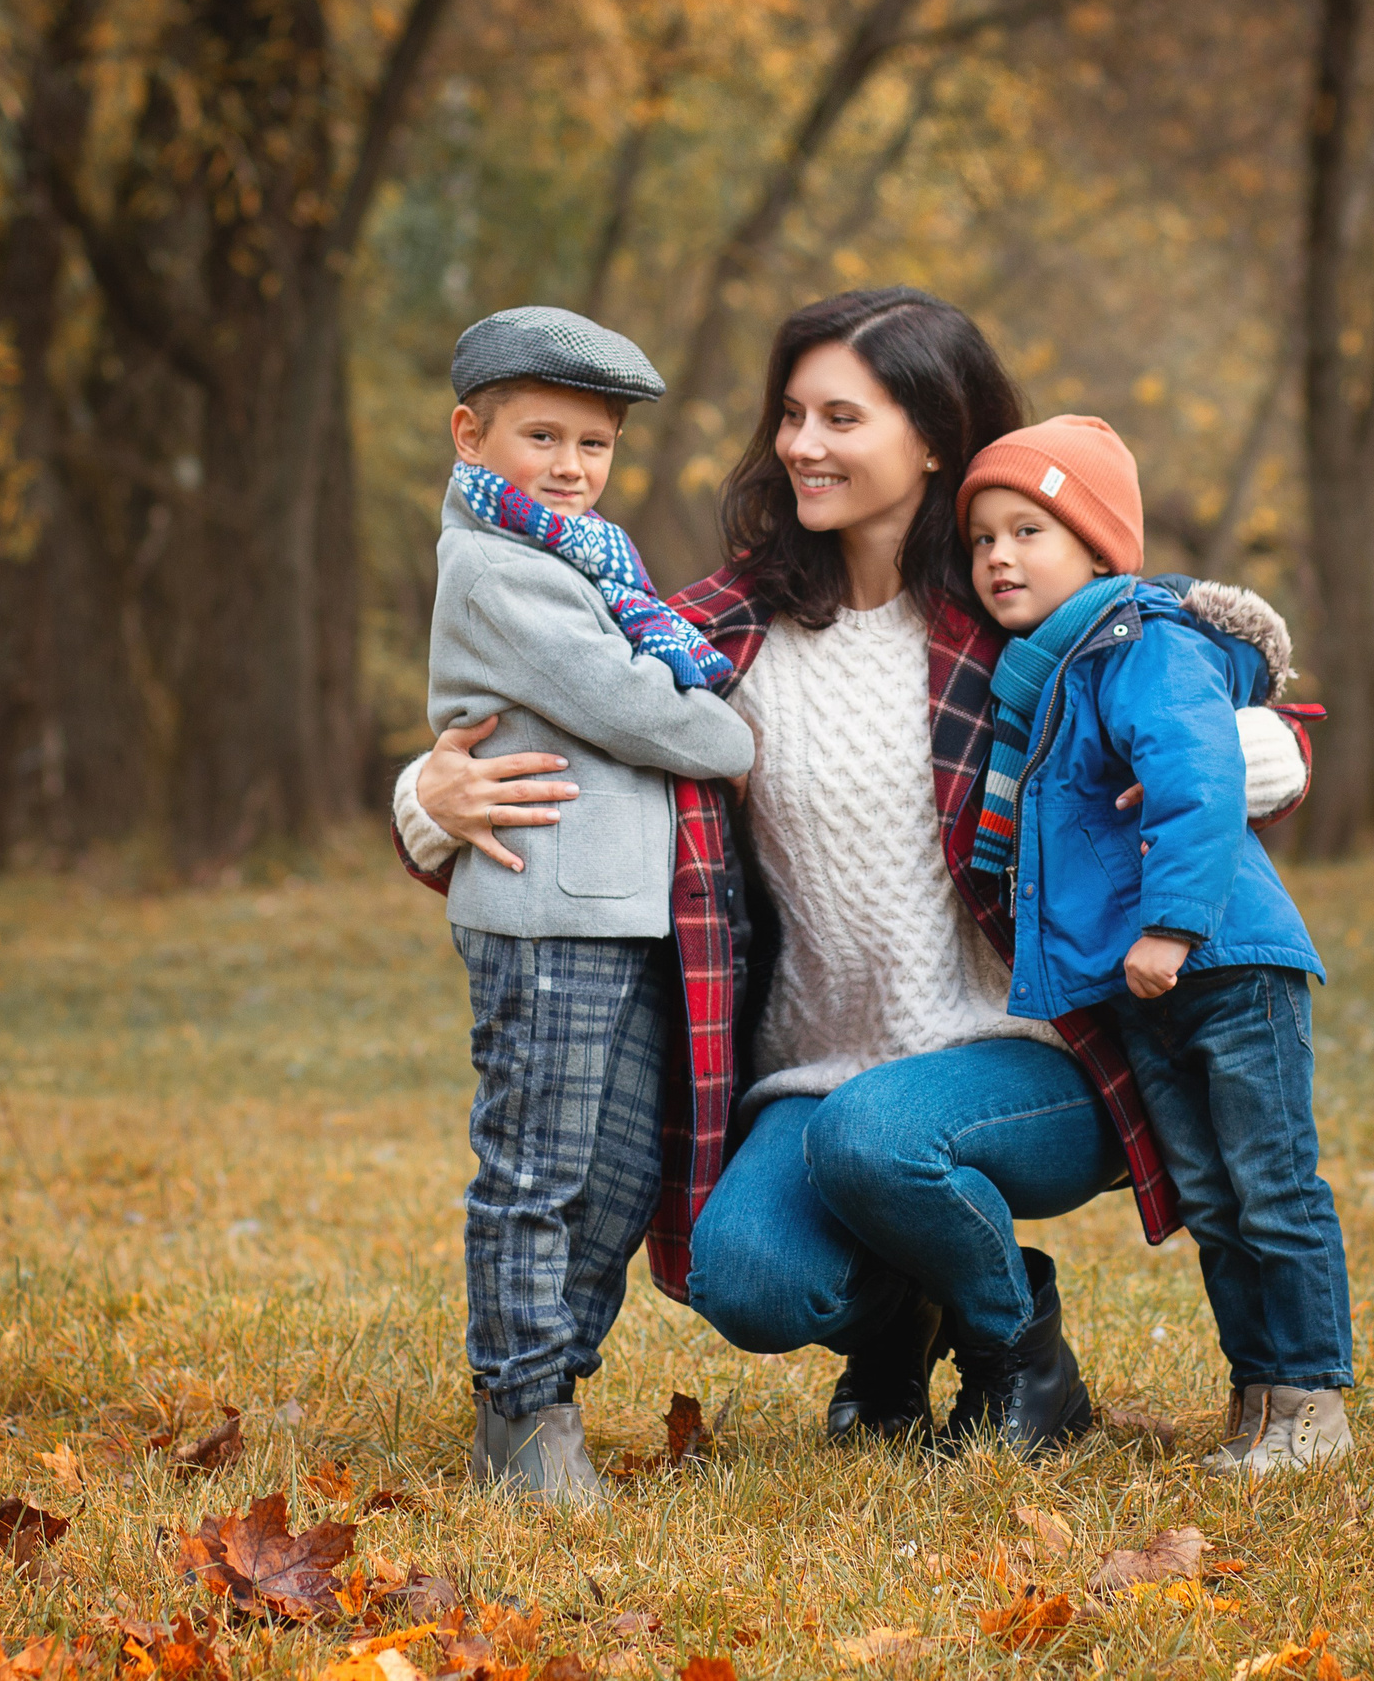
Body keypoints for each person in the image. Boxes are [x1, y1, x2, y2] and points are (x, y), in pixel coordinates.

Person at [393, 288, 1312, 1458]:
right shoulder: (714, 633)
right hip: (816, 1071)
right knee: (747, 1279)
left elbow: (1197, 678)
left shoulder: (1022, 616)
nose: (801, 446)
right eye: (791, 416)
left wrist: (1262, 749)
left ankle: (1017, 1346)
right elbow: (564, 718)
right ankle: (906, 1310)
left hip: (1031, 1055)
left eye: (840, 418)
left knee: (878, 1138)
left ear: (931, 438)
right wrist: (425, 800)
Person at [956, 413, 1351, 1473]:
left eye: (1027, 531)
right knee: (1213, 1200)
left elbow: (1195, 776)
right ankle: (1258, 1399)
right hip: (1148, 983)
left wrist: (1169, 925)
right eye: (983, 538)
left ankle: (1312, 1402)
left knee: (1272, 1186)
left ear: (1096, 548)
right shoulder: (1050, 671)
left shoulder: (1141, 642)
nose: (998, 557)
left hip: (1222, 960)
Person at [421, 306, 755, 1503]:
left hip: (622, 913)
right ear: (471, 435)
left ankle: (552, 1379)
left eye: (593, 444)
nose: (570, 467)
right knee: (537, 1169)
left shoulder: (589, 558)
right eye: (541, 437)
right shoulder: (498, 569)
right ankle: (523, 1415)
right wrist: (729, 731)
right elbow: (633, 706)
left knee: (613, 1176)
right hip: (546, 911)